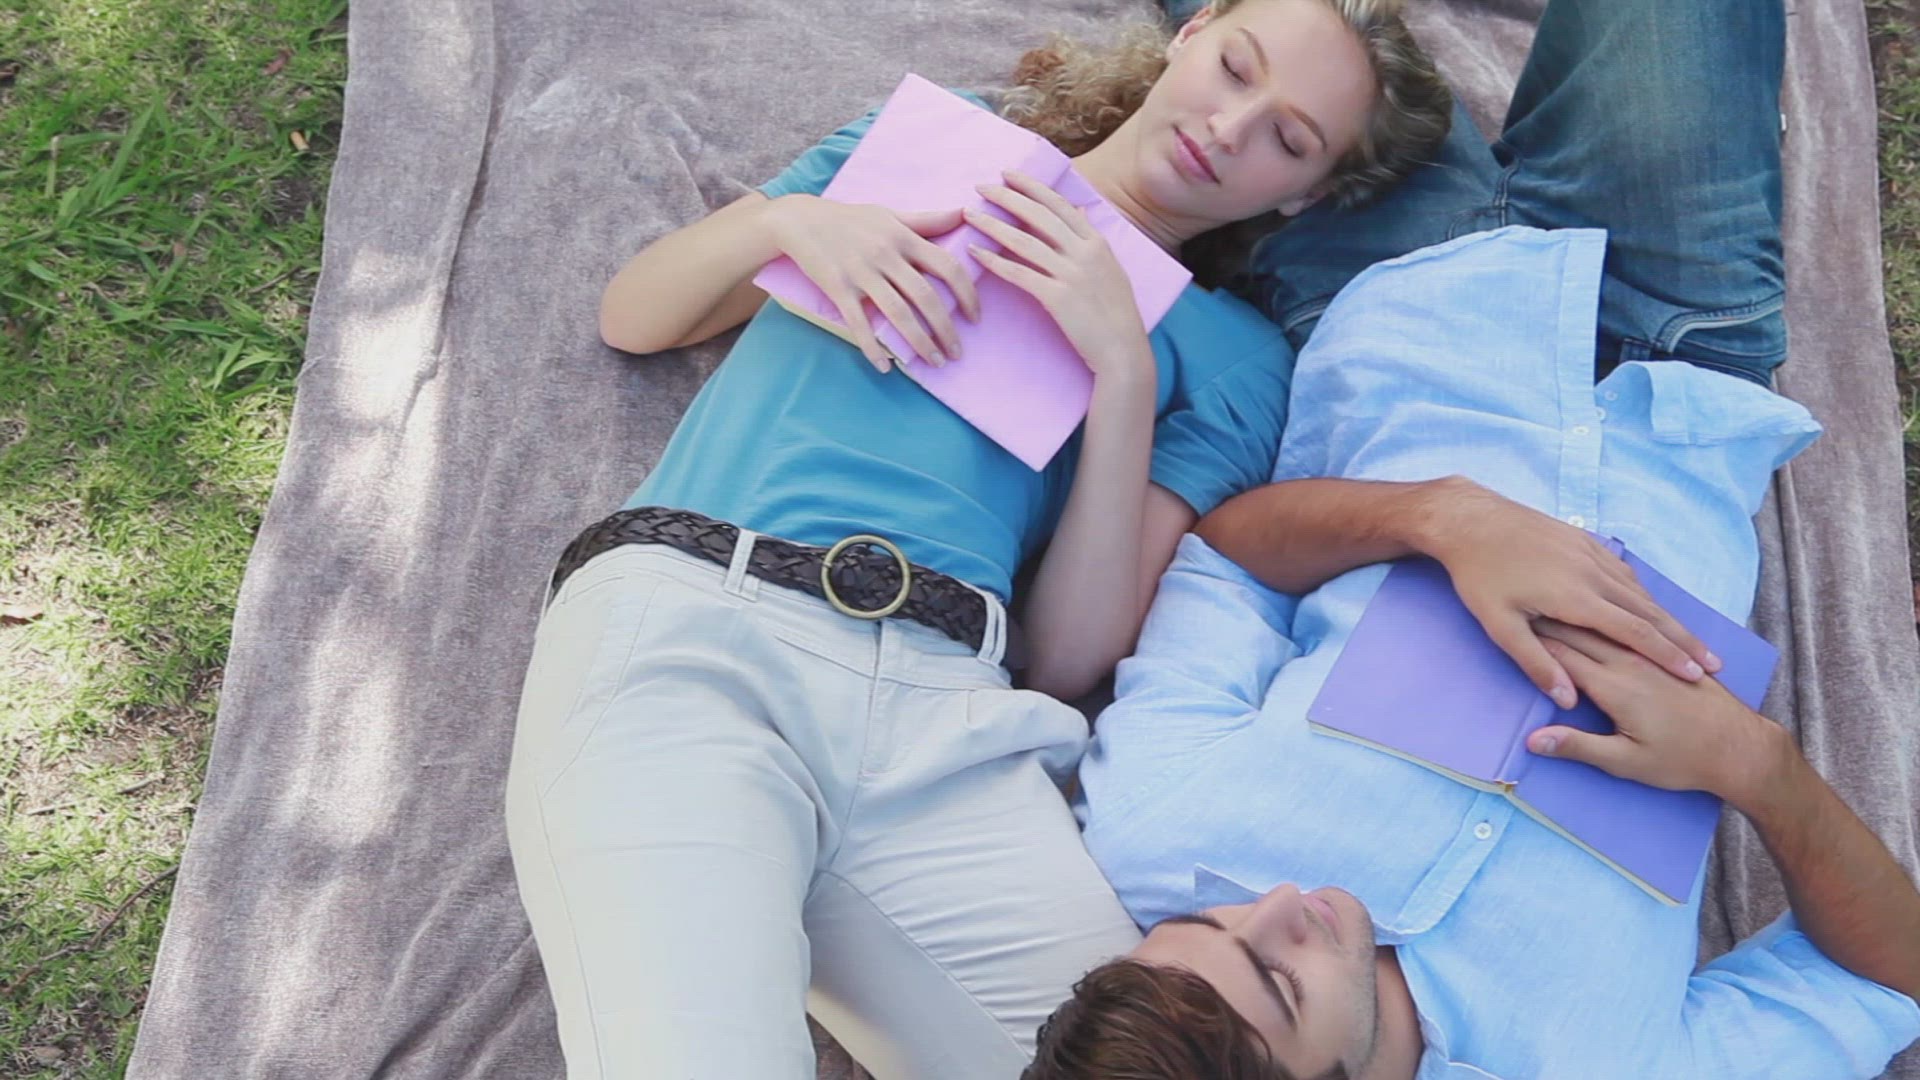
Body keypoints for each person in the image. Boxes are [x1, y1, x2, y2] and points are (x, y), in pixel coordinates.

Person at [502, 2, 1452, 1077]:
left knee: (1157, 1058)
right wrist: (790, 224)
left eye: (1288, 138)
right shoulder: (944, 143)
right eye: (1236, 68)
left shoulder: (1234, 360)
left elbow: (1068, 657)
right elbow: (635, 316)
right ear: (1190, 37)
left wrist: (1122, 373)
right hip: (707, 631)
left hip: (947, 721)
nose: (1230, 129)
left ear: (1305, 195)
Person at [1032, 0, 1920, 1076]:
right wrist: (1759, 768)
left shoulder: (1151, 835)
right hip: (1681, 343)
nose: (1276, 904)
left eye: (1208, 922)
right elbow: (1892, 979)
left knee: (1279, 39)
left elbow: (1228, 555)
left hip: (1390, 310)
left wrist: (1440, 517)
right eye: (1280, 979)